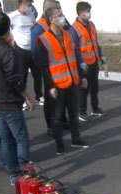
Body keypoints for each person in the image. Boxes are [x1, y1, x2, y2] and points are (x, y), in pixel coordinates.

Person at [0, 12, 34, 185]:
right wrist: (26, 95)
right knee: (21, 137)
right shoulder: (6, 50)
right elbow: (13, 77)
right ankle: (25, 170)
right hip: (9, 100)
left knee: (5, 139)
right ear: (8, 28)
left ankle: (12, 173)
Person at [37, 6, 89, 155]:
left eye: (62, 15)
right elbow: (44, 66)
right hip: (57, 86)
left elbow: (74, 58)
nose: (62, 17)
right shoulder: (43, 40)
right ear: (51, 20)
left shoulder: (67, 35)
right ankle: (60, 144)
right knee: (57, 117)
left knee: (73, 113)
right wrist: (50, 86)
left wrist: (82, 76)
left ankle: (76, 139)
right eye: (59, 15)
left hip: (72, 82)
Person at [31, 0, 66, 137]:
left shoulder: (61, 25)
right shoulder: (38, 27)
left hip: (62, 68)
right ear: (49, 11)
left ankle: (63, 120)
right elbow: (35, 50)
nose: (60, 12)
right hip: (48, 69)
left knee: (62, 96)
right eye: (57, 9)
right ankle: (50, 125)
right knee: (50, 98)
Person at [71, 1, 106, 122]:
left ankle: (95, 108)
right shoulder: (74, 28)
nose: (89, 14)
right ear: (80, 13)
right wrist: (80, 62)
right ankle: (81, 111)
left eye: (89, 11)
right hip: (83, 64)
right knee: (83, 89)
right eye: (87, 12)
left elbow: (95, 42)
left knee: (94, 87)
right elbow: (75, 48)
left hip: (93, 61)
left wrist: (100, 55)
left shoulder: (91, 25)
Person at [9, 0, 44, 107]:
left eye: (30, 4)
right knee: (22, 75)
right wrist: (11, 39)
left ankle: (39, 96)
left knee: (37, 74)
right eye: (28, 4)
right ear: (21, 3)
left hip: (32, 48)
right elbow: (7, 29)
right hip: (21, 49)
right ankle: (22, 98)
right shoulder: (12, 16)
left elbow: (34, 27)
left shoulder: (31, 14)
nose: (30, 6)